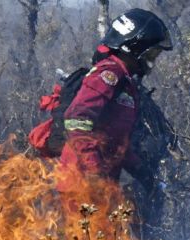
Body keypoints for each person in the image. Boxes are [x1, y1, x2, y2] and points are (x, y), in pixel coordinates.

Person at [56, 9, 173, 215]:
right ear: (134, 49)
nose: (152, 61)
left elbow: (116, 141)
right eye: (152, 54)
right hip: (80, 184)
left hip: (102, 186)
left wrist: (142, 172)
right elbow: (77, 120)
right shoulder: (108, 74)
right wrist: (93, 172)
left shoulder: (127, 83)